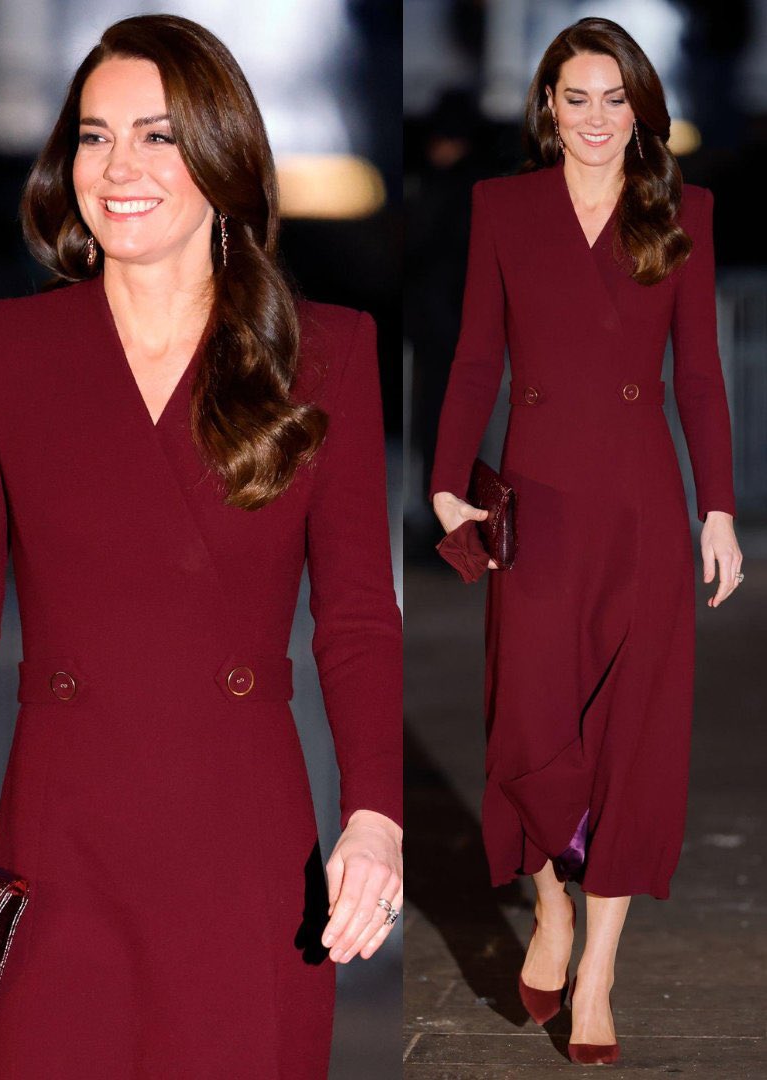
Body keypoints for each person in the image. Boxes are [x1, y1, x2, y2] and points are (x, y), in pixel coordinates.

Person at [0, 15, 402, 1078]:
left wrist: (376, 814)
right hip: (62, 838)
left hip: (244, 838)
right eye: (93, 135)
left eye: (159, 137)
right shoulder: (2, 349)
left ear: (222, 154)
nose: (117, 167)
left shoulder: (328, 354)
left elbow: (356, 618)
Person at [429, 17, 741, 1067]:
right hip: (539, 503)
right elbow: (474, 353)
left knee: (635, 737)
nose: (597, 118)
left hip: (644, 508)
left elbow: (699, 375)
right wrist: (443, 480)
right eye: (577, 97)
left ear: (641, 109)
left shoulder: (681, 209)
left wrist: (721, 510)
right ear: (548, 108)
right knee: (529, 722)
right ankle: (550, 905)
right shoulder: (504, 209)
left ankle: (598, 970)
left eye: (616, 98)